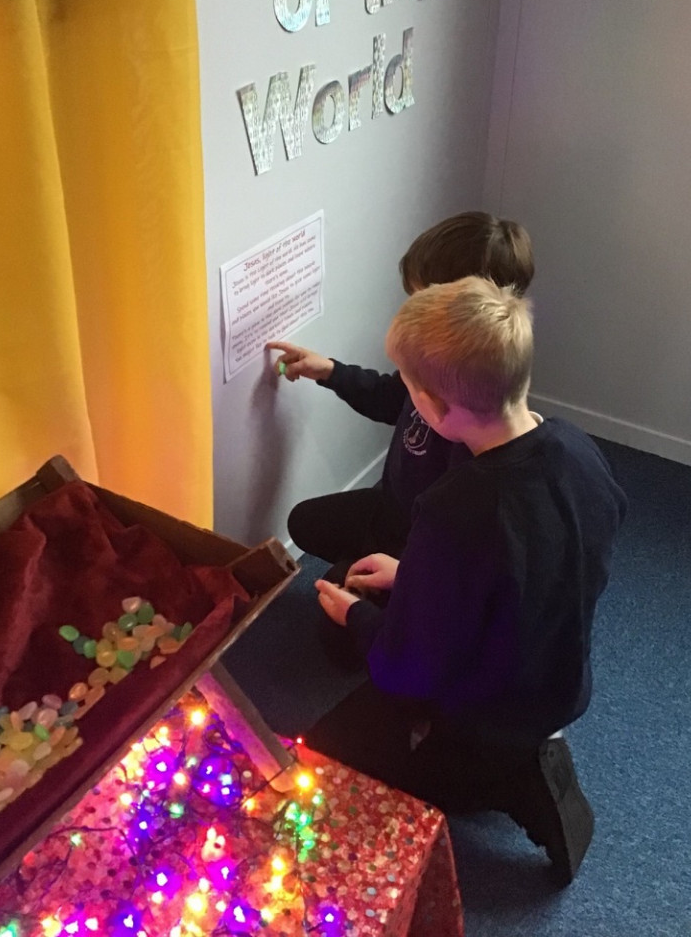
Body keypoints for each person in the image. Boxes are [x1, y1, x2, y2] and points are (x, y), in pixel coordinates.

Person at [303, 276, 627, 883]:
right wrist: (415, 574)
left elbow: (409, 664)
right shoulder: (577, 449)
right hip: (561, 678)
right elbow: (537, 560)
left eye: (408, 389)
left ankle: (496, 773)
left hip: (485, 703)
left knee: (320, 754)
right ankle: (520, 761)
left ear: (434, 408)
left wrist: (357, 615)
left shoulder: (456, 508)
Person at [267, 213, 534, 567]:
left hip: (426, 539)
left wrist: (407, 574)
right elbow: (391, 397)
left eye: (422, 300)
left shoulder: (476, 437)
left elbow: (461, 550)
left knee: (343, 608)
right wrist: (330, 372)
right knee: (305, 522)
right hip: (394, 508)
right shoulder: (432, 371)